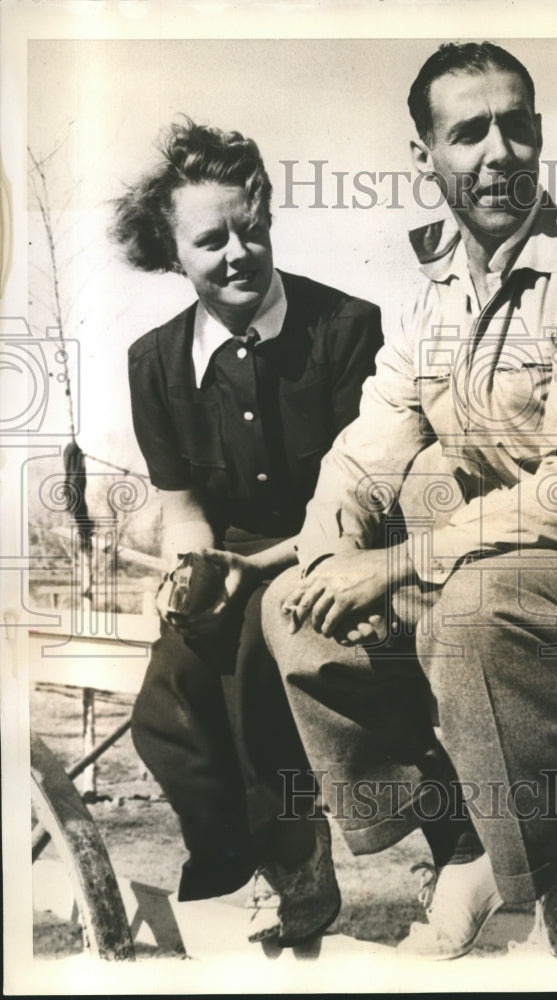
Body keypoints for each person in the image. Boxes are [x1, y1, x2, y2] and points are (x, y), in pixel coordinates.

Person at [261, 42, 557, 960]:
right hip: (517, 564)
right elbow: (365, 452)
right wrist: (330, 558)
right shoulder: (432, 299)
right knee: (296, 606)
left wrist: (395, 563)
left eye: (515, 128)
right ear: (425, 156)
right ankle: (472, 841)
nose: (497, 155)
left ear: (539, 135)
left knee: (474, 605)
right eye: (468, 132)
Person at [110, 118, 383, 946]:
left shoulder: (346, 329)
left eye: (251, 229)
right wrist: (190, 570)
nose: (238, 253)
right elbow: (184, 507)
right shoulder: (154, 363)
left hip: (330, 544)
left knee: (255, 658)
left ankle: (294, 853)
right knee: (165, 704)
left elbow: (362, 498)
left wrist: (251, 566)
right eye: (210, 241)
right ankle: (242, 858)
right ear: (173, 256)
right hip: (227, 555)